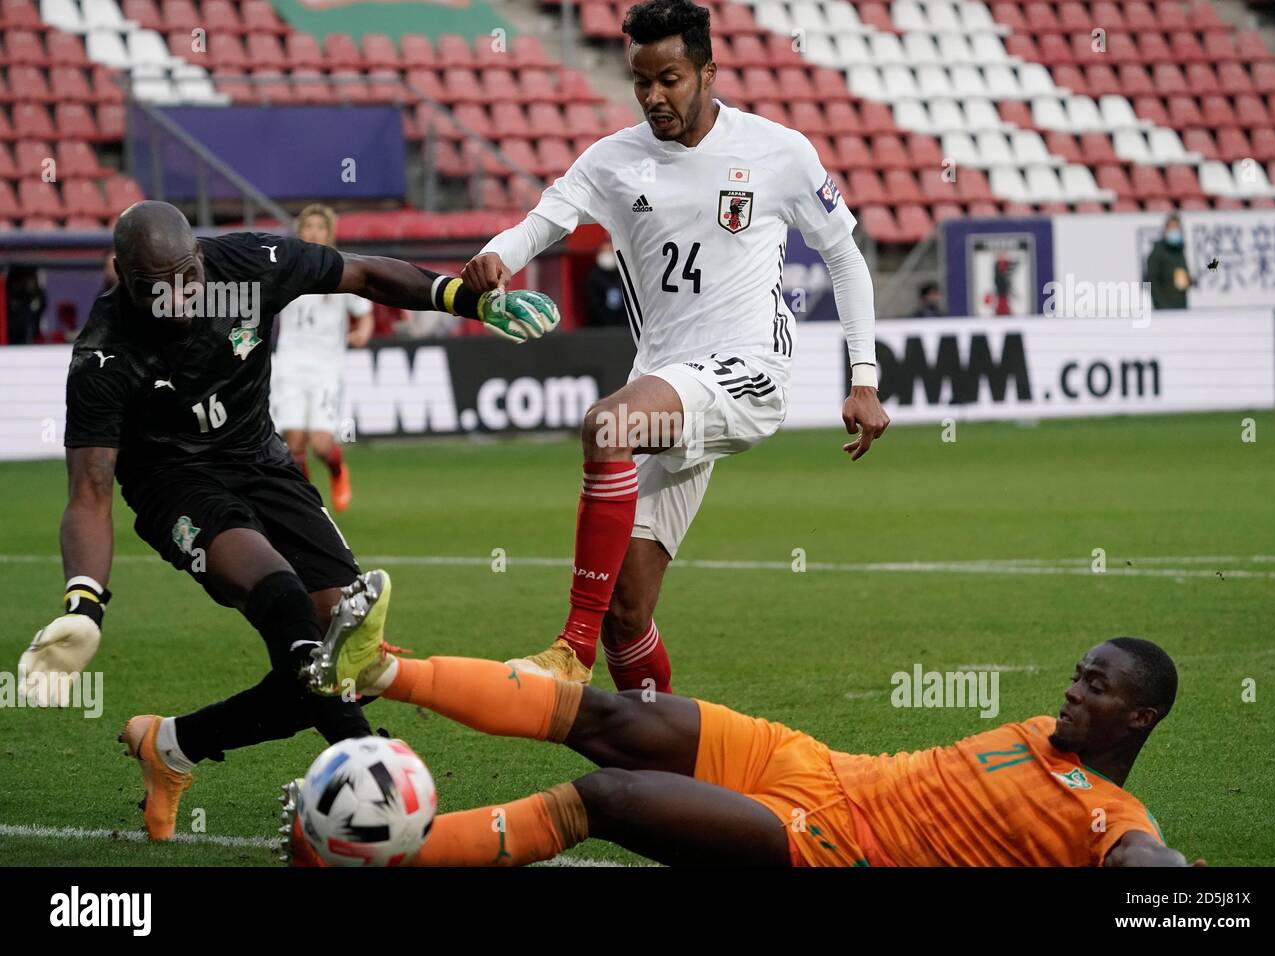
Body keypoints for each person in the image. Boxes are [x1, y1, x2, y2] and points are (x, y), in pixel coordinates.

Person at [19, 200, 559, 840]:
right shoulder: (104, 355)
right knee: (281, 598)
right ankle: (376, 781)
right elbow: (89, 494)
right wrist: (84, 605)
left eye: (189, 276)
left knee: (348, 653)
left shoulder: (251, 264)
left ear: (201, 255)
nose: (180, 297)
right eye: (156, 287)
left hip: (260, 460)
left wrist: (465, 301)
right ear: (122, 277)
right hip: (174, 484)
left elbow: (363, 274)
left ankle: (173, 745)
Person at [460, 0, 889, 692]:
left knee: (607, 425)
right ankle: (658, 744)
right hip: (666, 382)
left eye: (670, 79)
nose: (654, 96)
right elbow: (545, 221)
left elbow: (844, 257)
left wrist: (863, 377)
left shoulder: (778, 151)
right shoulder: (614, 160)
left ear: (708, 73)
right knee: (626, 613)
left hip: (748, 371)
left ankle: (569, 652)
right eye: (641, 81)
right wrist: (496, 256)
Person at [288, 612, 1201, 868]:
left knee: (605, 799)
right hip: (815, 765)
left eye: (1096, 687)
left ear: (1141, 718)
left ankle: (375, 854)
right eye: (1078, 674)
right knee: (615, 716)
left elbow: (1147, 864)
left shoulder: (1114, 822)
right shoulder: (1043, 734)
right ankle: (377, 672)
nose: (1071, 691)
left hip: (833, 845)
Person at [270, 204, 374, 512]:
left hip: (326, 368)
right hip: (289, 365)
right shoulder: (285, 270)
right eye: (308, 227)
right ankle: (308, 503)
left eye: (320, 228)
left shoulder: (342, 270)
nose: (314, 233)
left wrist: (362, 332)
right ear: (300, 232)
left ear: (330, 234)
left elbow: (364, 313)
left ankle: (338, 472)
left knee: (321, 445)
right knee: (293, 443)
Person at [1145, 214, 1192, 310]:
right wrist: (1162, 306)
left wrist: (1188, 280)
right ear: (1165, 229)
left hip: (1181, 306)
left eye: (1177, 228)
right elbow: (1152, 282)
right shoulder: (1157, 251)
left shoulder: (1179, 250)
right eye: (1172, 228)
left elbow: (1182, 277)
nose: (1175, 231)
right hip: (1165, 309)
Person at [583, 240, 627, 327]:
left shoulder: (624, 275)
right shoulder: (593, 277)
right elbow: (593, 305)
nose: (607, 255)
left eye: (610, 251)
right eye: (604, 251)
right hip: (599, 327)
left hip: (624, 327)